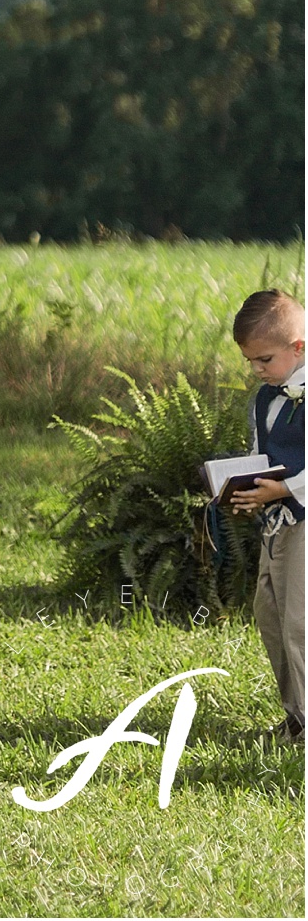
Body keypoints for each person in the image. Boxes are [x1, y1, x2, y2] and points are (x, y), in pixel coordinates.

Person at [228, 287, 305, 743]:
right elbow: (263, 454)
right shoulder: (265, 397)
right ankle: (295, 714)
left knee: (301, 622)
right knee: (270, 614)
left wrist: (286, 488)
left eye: (265, 360)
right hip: (275, 523)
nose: (257, 370)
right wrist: (244, 486)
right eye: (250, 362)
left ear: (299, 348)